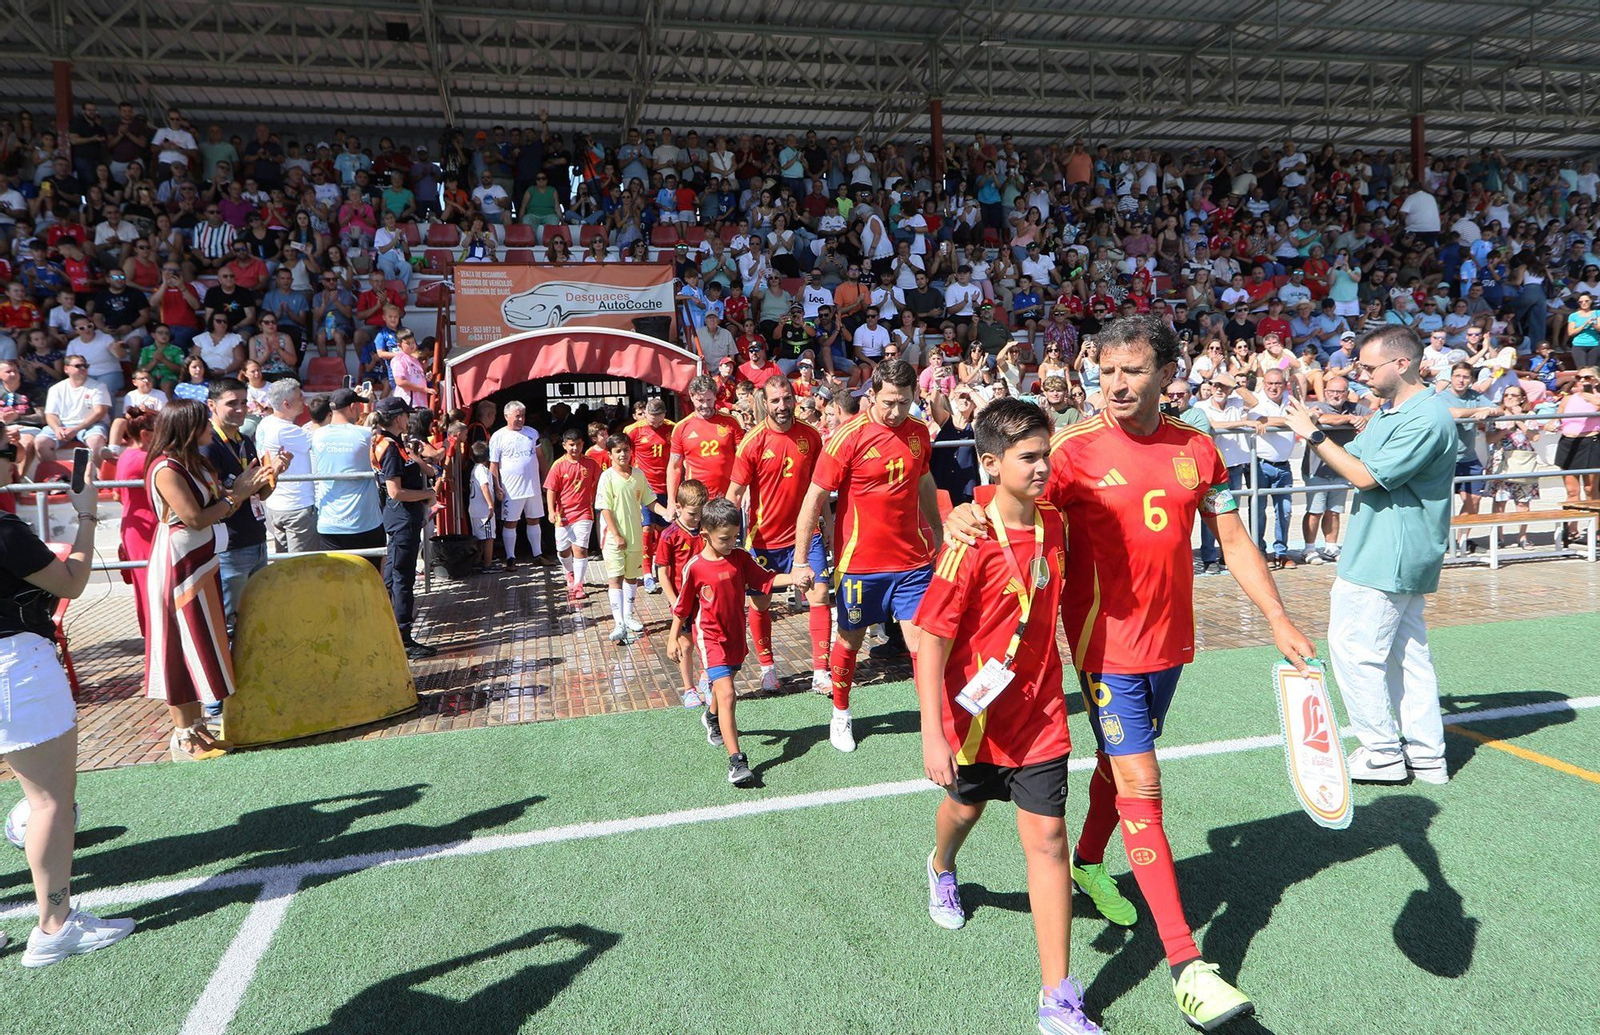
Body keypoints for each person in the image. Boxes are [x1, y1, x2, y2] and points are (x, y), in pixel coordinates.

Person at [943, 314, 1315, 1031]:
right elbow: (1014, 495)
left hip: (1171, 645)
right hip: (1103, 652)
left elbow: (1231, 537)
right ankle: (1188, 966)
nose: (1115, 383)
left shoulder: (1198, 450)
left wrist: (1276, 615)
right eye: (1106, 370)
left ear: (1167, 374)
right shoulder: (1075, 450)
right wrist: (969, 509)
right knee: (1143, 783)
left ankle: (1088, 859)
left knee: (1120, 770)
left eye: (1132, 370)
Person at [912, 399, 1100, 1035]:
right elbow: (931, 638)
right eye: (1029, 457)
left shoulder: (1055, 516)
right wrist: (932, 732)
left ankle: (1058, 998)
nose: (1044, 466)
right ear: (990, 465)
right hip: (975, 720)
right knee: (963, 811)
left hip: (1043, 717)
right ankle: (940, 866)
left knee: (1048, 841)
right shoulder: (971, 542)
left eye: (1046, 453)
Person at [1283, 325, 1458, 784]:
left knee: (1355, 649)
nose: (1359, 374)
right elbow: (1352, 457)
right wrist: (1317, 429)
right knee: (1408, 655)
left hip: (1389, 553)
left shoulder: (1427, 417)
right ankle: (1426, 755)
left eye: (1367, 366)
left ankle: (1381, 753)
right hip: (1386, 550)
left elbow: (1364, 477)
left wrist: (1313, 435)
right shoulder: (1389, 412)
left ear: (1402, 364)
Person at [0, 443, 137, 966]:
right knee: (50, 801)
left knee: (45, 802)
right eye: (8, 448)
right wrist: (85, 514)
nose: (15, 457)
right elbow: (72, 583)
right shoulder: (6, 530)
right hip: (16, 663)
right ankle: (54, 926)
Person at [791, 358, 943, 753]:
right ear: (872, 395)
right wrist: (801, 559)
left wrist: (938, 531)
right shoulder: (847, 436)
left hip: (912, 563)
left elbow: (925, 480)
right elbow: (814, 499)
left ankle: (934, 721)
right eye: (889, 402)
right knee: (851, 641)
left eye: (904, 403)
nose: (895, 412)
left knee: (922, 644)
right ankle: (840, 713)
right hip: (860, 566)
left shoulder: (918, 432)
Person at [144, 399, 267, 760]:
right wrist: (237, 497)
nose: (207, 428)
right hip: (179, 565)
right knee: (179, 645)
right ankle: (184, 735)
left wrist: (246, 487)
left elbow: (220, 504)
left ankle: (198, 729)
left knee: (200, 640)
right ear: (186, 426)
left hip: (202, 561)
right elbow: (194, 518)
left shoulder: (193, 462)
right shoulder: (166, 467)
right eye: (201, 422)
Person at [667, 497, 806, 786]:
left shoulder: (741, 558)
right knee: (728, 693)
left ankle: (711, 716)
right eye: (725, 538)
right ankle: (737, 761)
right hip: (710, 638)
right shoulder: (695, 567)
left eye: (735, 536)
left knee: (723, 689)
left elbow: (765, 579)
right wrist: (673, 638)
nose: (732, 542)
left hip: (735, 639)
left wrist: (793, 577)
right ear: (705, 534)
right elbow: (681, 607)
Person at [727, 376, 831, 695]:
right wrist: (727, 540)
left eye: (786, 399)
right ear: (765, 403)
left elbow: (821, 487)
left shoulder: (811, 437)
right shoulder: (752, 441)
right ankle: (768, 668)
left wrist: (826, 521)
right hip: (764, 539)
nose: (782, 406)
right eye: (775, 401)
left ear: (793, 399)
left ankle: (820, 671)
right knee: (761, 604)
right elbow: (734, 493)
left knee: (820, 596)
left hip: (807, 534)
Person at [372, 396, 438, 659]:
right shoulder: (388, 446)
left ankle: (393, 633)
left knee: (395, 578)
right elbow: (395, 491)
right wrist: (426, 495)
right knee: (401, 579)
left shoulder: (393, 442)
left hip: (402, 519)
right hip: (401, 520)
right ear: (398, 418)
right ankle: (403, 638)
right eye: (406, 415)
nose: (410, 419)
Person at [595, 433, 666, 644]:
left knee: (632, 578)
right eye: (618, 451)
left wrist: (667, 512)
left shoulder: (638, 475)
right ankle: (618, 623)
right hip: (613, 538)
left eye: (626, 450)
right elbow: (604, 507)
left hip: (635, 536)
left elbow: (651, 501)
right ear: (610, 454)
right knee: (615, 578)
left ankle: (628, 616)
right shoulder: (606, 477)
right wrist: (616, 535)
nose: (623, 454)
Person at [309, 388, 384, 563]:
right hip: (364, 522)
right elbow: (368, 429)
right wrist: (369, 406)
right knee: (369, 579)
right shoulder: (364, 434)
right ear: (352, 406)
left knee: (336, 582)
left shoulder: (316, 435)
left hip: (330, 523)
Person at [1234, 368, 1299, 567]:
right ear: (1264, 384)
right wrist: (1290, 420)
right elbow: (1260, 420)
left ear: (1284, 384)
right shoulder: (1257, 401)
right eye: (1270, 383)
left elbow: (1304, 416)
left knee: (1285, 511)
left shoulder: (1291, 400)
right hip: (1260, 464)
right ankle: (1259, 552)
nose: (1273, 387)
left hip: (1283, 465)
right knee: (1258, 510)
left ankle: (1281, 552)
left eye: (1277, 383)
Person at [1300, 375, 1368, 563]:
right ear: (1326, 391)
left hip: (1342, 469)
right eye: (1331, 391)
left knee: (1334, 510)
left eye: (1340, 392)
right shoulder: (1319, 406)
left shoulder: (1355, 408)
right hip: (1316, 469)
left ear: (1347, 393)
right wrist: (1348, 419)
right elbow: (1322, 418)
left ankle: (1331, 546)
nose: (1335, 395)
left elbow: (1374, 414)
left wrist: (1362, 418)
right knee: (1315, 510)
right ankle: (1309, 548)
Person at [656, 479, 709, 707]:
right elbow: (663, 573)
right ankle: (689, 688)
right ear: (678, 508)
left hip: (706, 598)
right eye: (692, 514)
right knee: (685, 644)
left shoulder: (706, 531)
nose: (697, 519)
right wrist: (674, 601)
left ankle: (707, 678)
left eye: (700, 514)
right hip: (681, 598)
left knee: (706, 640)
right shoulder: (670, 535)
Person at [1440, 361, 1501, 553]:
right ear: (1451, 377)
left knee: (1474, 500)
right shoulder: (1441, 397)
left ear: (1471, 379)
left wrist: (1489, 410)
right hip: (1445, 459)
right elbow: (1455, 414)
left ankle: (1461, 541)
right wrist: (1478, 411)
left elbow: (1500, 410)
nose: (1461, 380)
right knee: (1442, 505)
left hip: (1469, 457)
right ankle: (1442, 541)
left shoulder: (1475, 396)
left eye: (1465, 377)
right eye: (1457, 376)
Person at [254, 378, 320, 554]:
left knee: (285, 567)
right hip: (297, 507)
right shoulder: (286, 430)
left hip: (276, 505)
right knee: (302, 567)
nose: (304, 401)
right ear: (286, 404)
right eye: (300, 397)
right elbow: (320, 438)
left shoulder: (265, 423)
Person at [113, 407, 160, 636]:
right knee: (151, 586)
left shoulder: (127, 455)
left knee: (147, 585)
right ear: (146, 435)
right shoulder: (144, 459)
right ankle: (156, 636)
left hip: (138, 525)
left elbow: (116, 495)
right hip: (146, 529)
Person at [544, 427, 602, 601]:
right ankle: (570, 571)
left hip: (584, 512)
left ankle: (578, 584)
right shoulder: (558, 465)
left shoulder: (591, 464)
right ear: (564, 445)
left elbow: (601, 482)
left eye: (578, 444)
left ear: (583, 443)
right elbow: (551, 490)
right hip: (563, 514)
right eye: (571, 445)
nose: (575, 448)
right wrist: (551, 510)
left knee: (580, 548)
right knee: (562, 550)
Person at [489, 400, 548, 569]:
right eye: (517, 416)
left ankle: (538, 554)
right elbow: (494, 464)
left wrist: (546, 479)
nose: (521, 419)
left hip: (533, 486)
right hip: (511, 488)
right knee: (510, 522)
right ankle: (510, 558)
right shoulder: (498, 436)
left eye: (523, 415)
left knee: (534, 519)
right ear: (506, 416)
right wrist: (497, 486)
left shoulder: (532, 433)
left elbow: (540, 457)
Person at [667, 374, 742, 506]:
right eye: (700, 400)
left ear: (715, 395)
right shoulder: (681, 428)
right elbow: (674, 467)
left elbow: (742, 460)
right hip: (696, 500)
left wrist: (743, 491)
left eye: (709, 400)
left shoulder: (731, 422)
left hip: (727, 497)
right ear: (691, 396)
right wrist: (671, 501)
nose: (705, 405)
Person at [624, 397, 674, 590]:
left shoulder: (673, 428)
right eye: (652, 419)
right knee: (646, 529)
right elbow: (624, 455)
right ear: (645, 414)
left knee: (664, 530)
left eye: (659, 420)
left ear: (664, 415)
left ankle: (661, 566)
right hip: (644, 487)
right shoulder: (633, 430)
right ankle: (646, 574)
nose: (655, 424)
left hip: (665, 487)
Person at [1548, 368, 1600, 544]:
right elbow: (1556, 418)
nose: (1582, 380)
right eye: (1579, 377)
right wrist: (1551, 425)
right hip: (1568, 444)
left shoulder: (1596, 398)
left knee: (1591, 490)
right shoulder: (1568, 399)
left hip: (1590, 442)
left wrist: (1589, 393)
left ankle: (1596, 530)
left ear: (1596, 380)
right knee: (1572, 491)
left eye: (1587, 377)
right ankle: (1572, 531)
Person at [1486, 384, 1540, 549]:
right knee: (1500, 501)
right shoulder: (1497, 415)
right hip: (1501, 461)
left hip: (1523, 461)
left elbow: (1535, 437)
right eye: (1506, 395)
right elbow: (1489, 439)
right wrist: (1504, 430)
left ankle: (1523, 537)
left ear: (1522, 398)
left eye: (1514, 395)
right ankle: (1498, 537)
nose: (1509, 398)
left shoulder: (1529, 415)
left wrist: (1519, 421)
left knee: (1523, 502)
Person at [37, 355, 111, 464]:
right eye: (78, 366)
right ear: (66, 369)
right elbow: (50, 414)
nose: (83, 368)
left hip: (91, 425)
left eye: (85, 366)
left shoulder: (99, 386)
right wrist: (57, 429)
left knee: (96, 441)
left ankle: (101, 478)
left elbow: (99, 412)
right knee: (40, 442)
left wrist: (75, 429)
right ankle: (55, 477)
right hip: (63, 426)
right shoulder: (56, 389)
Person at [467, 440, 497, 572]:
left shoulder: (474, 470)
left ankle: (478, 561)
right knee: (489, 537)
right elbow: (484, 486)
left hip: (474, 508)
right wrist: (491, 505)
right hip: (484, 509)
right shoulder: (482, 470)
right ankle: (488, 564)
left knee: (480, 537)